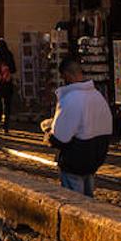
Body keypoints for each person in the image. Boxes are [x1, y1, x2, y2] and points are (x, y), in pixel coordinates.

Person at [45, 57, 112, 196]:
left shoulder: (71, 98)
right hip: (95, 156)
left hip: (75, 158)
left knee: (76, 201)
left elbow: (60, 137)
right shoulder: (97, 96)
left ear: (67, 75)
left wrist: (48, 132)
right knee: (89, 196)